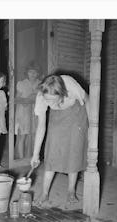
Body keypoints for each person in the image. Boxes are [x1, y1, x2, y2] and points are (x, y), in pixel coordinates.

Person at [30, 74, 89, 207]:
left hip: (76, 113)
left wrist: (92, 126)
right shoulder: (41, 97)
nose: (49, 103)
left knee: (74, 151)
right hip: (58, 115)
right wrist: (35, 154)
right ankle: (44, 193)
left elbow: (88, 100)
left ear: (62, 93)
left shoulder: (71, 85)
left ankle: (71, 191)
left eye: (52, 100)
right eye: (47, 100)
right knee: (52, 151)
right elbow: (41, 126)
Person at [15, 61, 41, 159]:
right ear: (27, 72)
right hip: (23, 114)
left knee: (34, 136)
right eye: (30, 72)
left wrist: (34, 97)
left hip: (35, 114)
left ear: (38, 73)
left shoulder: (40, 84)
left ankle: (31, 158)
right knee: (22, 136)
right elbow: (17, 99)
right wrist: (26, 100)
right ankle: (21, 159)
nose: (33, 74)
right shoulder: (21, 84)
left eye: (35, 72)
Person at [0, 72, 8, 166]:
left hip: (0, 119)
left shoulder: (2, 93)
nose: (0, 84)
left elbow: (5, 107)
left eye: (2, 82)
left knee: (0, 141)